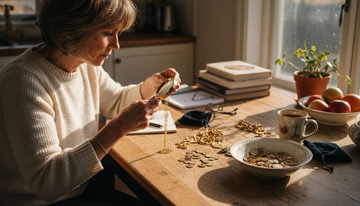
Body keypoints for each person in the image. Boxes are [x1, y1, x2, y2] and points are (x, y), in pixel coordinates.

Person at [0, 0, 181, 205]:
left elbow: (115, 102)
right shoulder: (23, 80)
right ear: (73, 29)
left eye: (117, 33)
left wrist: (148, 87)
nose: (116, 44)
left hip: (76, 187)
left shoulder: (84, 62)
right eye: (107, 33)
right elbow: (47, 183)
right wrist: (118, 127)